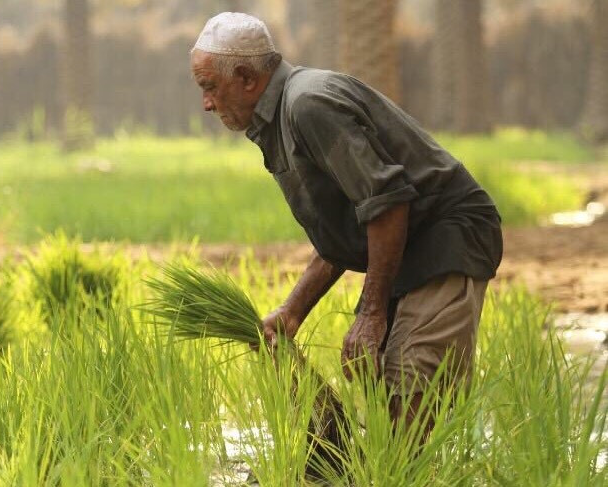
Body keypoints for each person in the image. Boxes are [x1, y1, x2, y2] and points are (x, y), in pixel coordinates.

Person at [190, 12, 502, 437]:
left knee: (411, 395)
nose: (206, 103)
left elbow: (386, 203)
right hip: (406, 243)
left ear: (246, 78)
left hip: (445, 236)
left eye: (209, 87)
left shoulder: (308, 104)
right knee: (379, 391)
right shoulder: (281, 116)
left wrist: (372, 313)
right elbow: (350, 225)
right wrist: (293, 311)